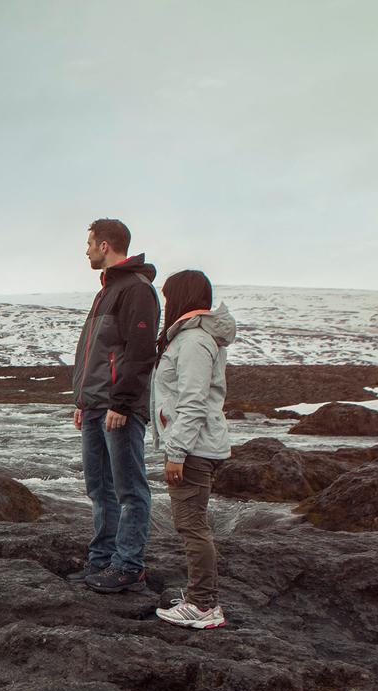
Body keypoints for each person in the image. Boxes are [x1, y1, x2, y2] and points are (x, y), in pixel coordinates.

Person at [70, 218, 161, 593]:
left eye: (90, 243)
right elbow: (99, 353)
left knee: (129, 489)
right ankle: (102, 560)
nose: (86, 250)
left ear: (106, 245)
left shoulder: (136, 290)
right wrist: (83, 400)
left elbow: (140, 353)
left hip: (117, 408)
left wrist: (121, 403)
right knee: (99, 488)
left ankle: (128, 564)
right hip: (95, 406)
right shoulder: (107, 291)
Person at [151, 269, 235, 629]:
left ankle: (204, 605)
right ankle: (201, 599)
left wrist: (177, 452)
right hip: (198, 446)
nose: (166, 304)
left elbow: (193, 401)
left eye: (169, 297)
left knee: (191, 526)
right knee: (193, 524)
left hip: (195, 449)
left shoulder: (194, 342)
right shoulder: (192, 339)